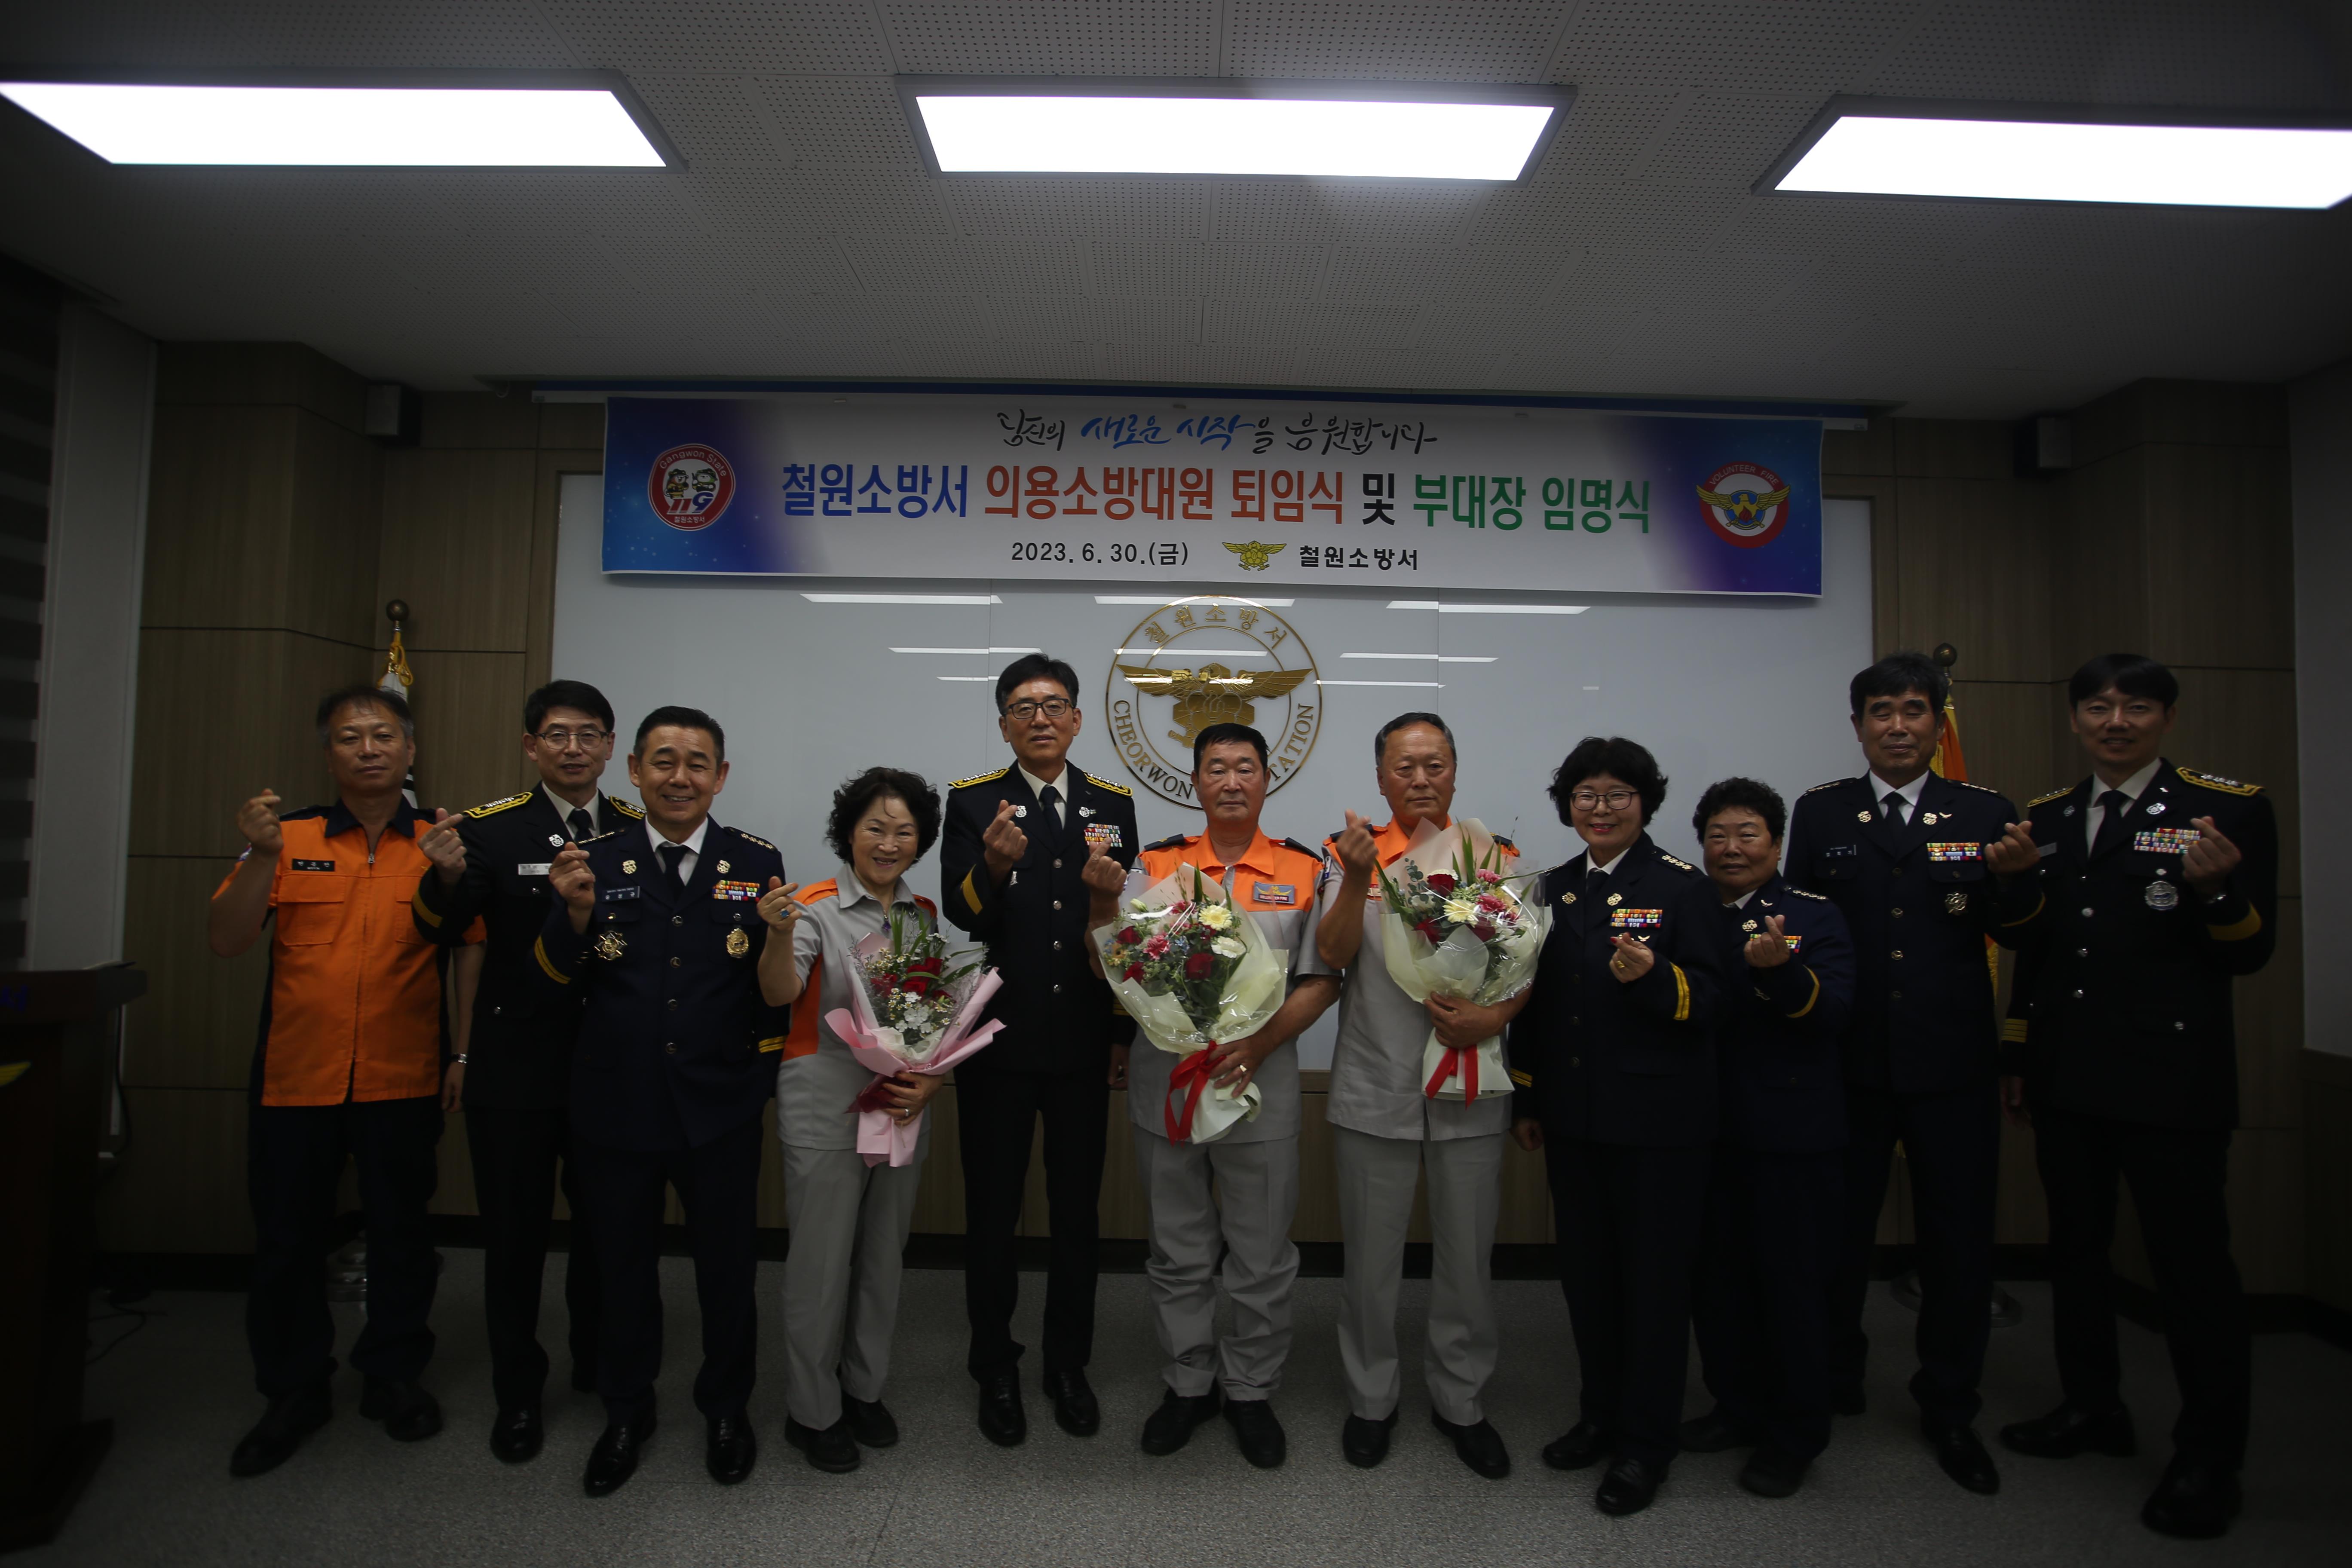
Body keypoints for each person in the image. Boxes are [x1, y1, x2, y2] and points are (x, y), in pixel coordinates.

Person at [1995, 654, 2276, 1540]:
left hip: (2170, 1082)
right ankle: (2093, 1407)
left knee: (2191, 1271)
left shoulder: (2226, 810)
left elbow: (2250, 951)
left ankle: (2209, 1459)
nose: (2115, 722)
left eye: (2136, 707)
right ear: (2076, 718)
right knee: (2076, 1252)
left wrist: (2216, 889)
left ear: (2167, 717)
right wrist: (2018, 1049)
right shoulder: (2049, 817)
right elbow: (2038, 947)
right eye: (2098, 707)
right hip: (2067, 1076)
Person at [1782, 651, 2041, 1495]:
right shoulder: (1822, 813)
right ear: (1858, 725)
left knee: (1957, 1244)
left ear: (1938, 722)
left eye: (1914, 711)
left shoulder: (1986, 812)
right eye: (1882, 712)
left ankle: (1951, 1405)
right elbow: (1800, 925)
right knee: (1835, 1237)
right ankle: (1834, 1378)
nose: (1898, 726)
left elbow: (2018, 932)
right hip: (1847, 1064)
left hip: (1951, 1066)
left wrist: (2018, 885)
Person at [207, 684, 481, 1477]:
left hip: (402, 1074)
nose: (369, 749)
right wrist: (261, 857)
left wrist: (463, 1056)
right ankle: (293, 1390)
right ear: (328, 753)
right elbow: (226, 938)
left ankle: (393, 1375)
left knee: (402, 1235)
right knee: (288, 1239)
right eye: (351, 737)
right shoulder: (285, 838)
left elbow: (471, 948)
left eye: (384, 736)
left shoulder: (440, 840)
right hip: (298, 1078)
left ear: (410, 751)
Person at [530, 706, 787, 1498]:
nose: (681, 777)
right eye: (665, 761)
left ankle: (726, 1410)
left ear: (721, 776)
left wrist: (758, 1081)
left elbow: (769, 990)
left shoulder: (756, 860)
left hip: (719, 1107)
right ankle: (625, 1412)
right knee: (622, 1270)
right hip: (617, 1105)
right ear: (635, 771)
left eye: (698, 763)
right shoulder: (594, 859)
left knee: (727, 1272)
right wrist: (574, 915)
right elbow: (553, 982)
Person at [411, 679, 640, 1463]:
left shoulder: (639, 828)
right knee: (514, 1239)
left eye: (589, 734)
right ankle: (517, 1392)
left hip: (610, 1065)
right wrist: (444, 876)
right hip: (515, 1067)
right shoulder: (489, 830)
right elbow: (442, 929)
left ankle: (597, 1365)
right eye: (557, 735)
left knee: (606, 1232)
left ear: (611, 747)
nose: (574, 748)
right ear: (530, 746)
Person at [1506, 738, 1731, 1516]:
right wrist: (1528, 1101)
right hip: (1575, 1121)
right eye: (1586, 796)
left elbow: (1716, 998)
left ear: (1645, 803)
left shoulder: (1682, 888)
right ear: (1568, 806)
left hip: (1659, 1127)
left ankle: (1646, 1444)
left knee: (1654, 1289)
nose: (1601, 809)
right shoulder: (1553, 888)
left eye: (1617, 795)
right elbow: (1532, 1004)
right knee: (1589, 1281)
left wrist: (1659, 980)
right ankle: (1598, 1416)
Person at [1109, 723, 1340, 1469]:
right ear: (1196, 782)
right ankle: (1188, 1383)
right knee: (1178, 1248)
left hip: (1259, 1088)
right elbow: (1120, 965)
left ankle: (1250, 1389)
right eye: (1217, 768)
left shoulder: (1305, 869)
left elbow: (1323, 979)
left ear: (1268, 778)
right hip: (1169, 1087)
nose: (1232, 781)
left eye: (1246, 767)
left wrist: (1261, 1044)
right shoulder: (1157, 865)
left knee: (1261, 1254)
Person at [937, 654, 1139, 1446]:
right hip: (998, 1042)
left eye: (1055, 705)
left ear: (1078, 720)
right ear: (1004, 726)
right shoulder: (973, 802)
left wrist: (1121, 1032)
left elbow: (1122, 933)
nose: (1041, 718)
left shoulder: (1112, 805)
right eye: (1023, 707)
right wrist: (991, 866)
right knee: (992, 1212)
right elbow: (963, 915)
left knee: (1076, 1214)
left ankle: (1067, 1365)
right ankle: (994, 1365)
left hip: (1083, 1043)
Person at [1315, 712, 1518, 1479]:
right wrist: (1358, 877)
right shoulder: (1348, 854)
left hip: (1471, 1082)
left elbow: (1525, 964)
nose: (1422, 780)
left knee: (1468, 1259)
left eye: (1435, 765)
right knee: (1371, 1262)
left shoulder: (1494, 857)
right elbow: (1331, 956)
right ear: (1380, 778)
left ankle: (1461, 1400)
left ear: (1455, 772)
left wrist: (1497, 1016)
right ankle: (1371, 1399)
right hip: (1378, 1082)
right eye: (1405, 767)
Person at [756, 767, 948, 1474]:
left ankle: (864, 1389)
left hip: (900, 1106)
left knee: (881, 1259)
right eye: (875, 828)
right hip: (827, 1105)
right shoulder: (811, 908)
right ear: (848, 833)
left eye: (904, 831)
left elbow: (936, 1018)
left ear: (920, 841)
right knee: (820, 1264)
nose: (889, 843)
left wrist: (933, 1079)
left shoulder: (923, 915)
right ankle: (813, 1410)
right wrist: (777, 937)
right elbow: (779, 992)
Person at [1681, 776, 1856, 1500]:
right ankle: (1737, 1407)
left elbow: (1833, 1014)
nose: (1731, 848)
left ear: (1777, 844)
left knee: (1792, 1288)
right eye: (1717, 836)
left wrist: (1783, 974)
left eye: (1747, 834)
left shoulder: (1814, 914)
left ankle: (1795, 1435)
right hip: (1704, 1131)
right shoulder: (1690, 910)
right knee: (1719, 1285)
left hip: (1790, 1134)